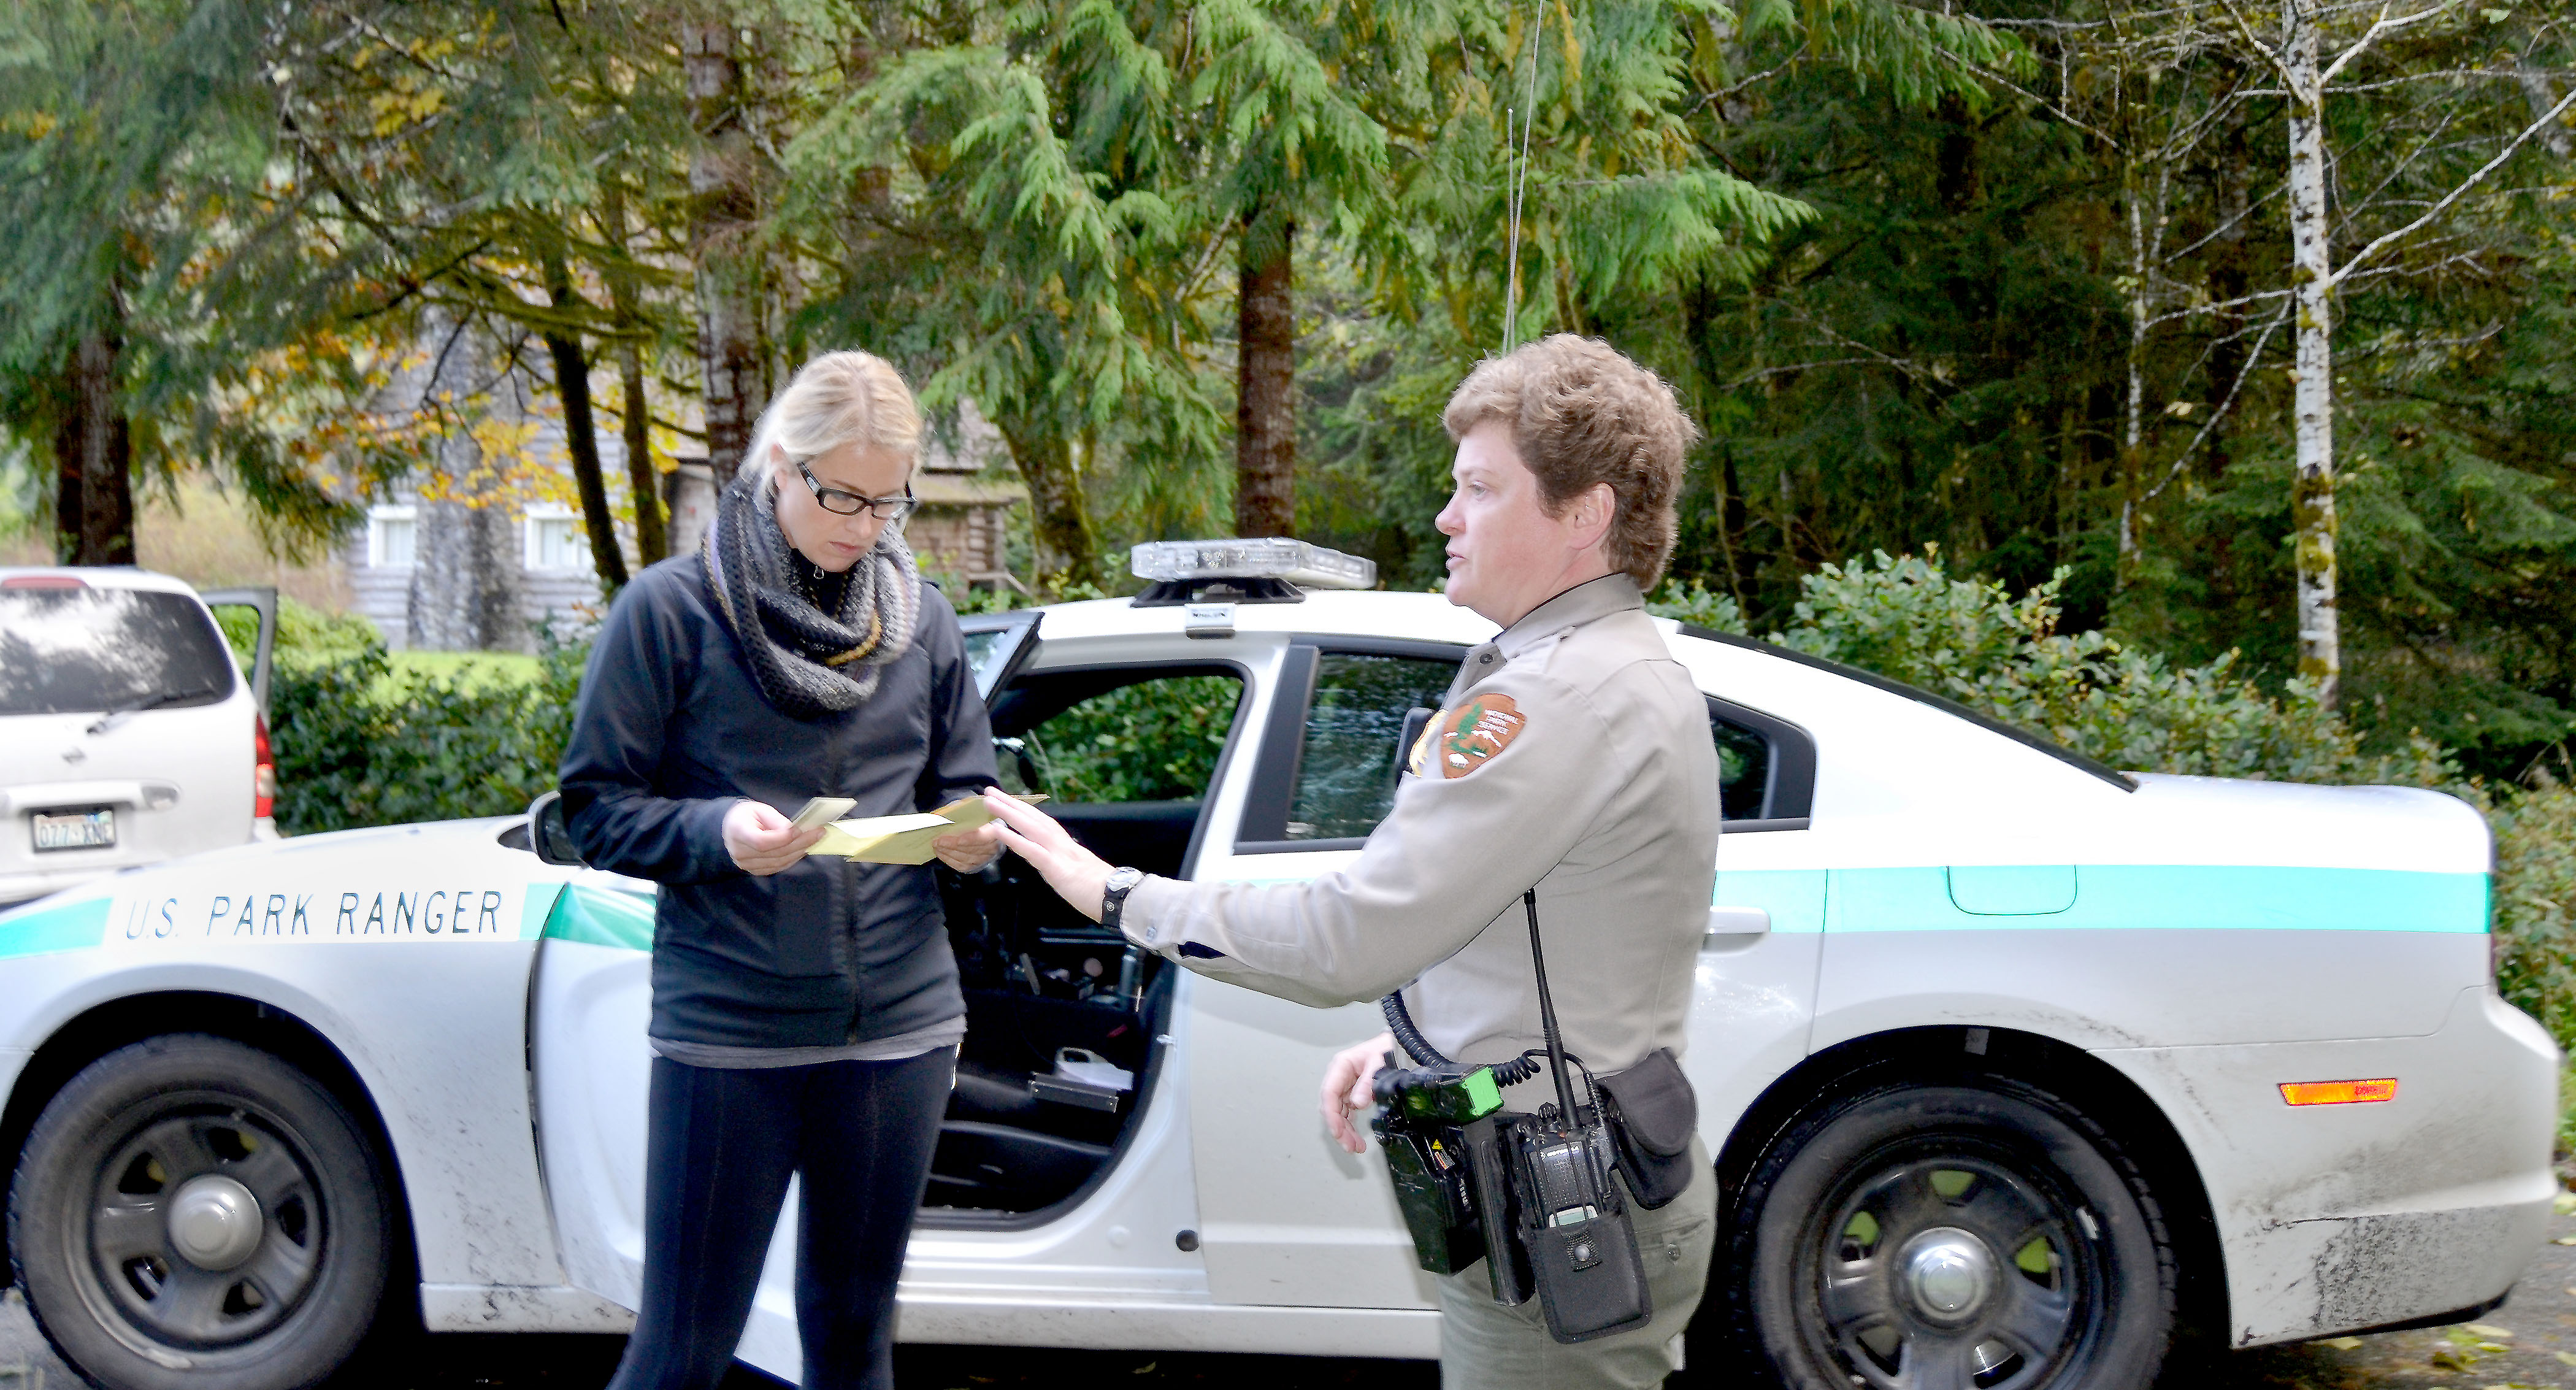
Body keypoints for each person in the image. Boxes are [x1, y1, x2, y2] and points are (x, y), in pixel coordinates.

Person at [984, 334, 1724, 1388]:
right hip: (1573, 1169)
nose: (1446, 517)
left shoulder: (1556, 694)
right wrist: (1418, 1049)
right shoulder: (1605, 669)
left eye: (1478, 489)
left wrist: (1114, 892)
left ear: (1584, 514)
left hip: (1560, 1202)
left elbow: (1349, 935)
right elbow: (1533, 922)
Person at [558, 350, 1005, 1390]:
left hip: (899, 1028)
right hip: (733, 1033)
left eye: (888, 500)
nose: (863, 523)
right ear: (777, 463)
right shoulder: (668, 612)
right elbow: (595, 810)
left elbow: (971, 781)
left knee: (855, 1342)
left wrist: (970, 835)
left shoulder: (922, 618)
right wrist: (717, 834)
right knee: (682, 1352)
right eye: (841, 493)